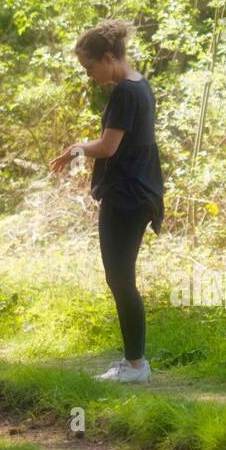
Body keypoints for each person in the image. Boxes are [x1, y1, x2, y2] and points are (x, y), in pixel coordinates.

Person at [50, 19, 164, 384]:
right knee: (120, 278)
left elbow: (109, 147)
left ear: (110, 56)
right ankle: (134, 363)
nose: (89, 74)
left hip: (127, 196)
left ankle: (136, 366)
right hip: (138, 191)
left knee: (120, 279)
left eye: (90, 67)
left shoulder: (125, 94)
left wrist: (76, 149)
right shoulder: (140, 85)